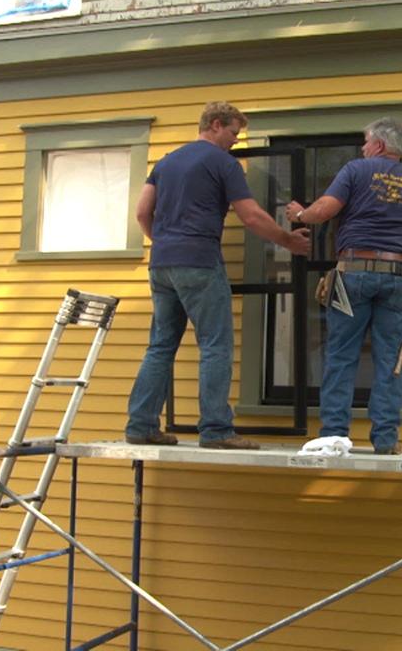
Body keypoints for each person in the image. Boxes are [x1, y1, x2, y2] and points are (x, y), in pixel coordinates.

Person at [126, 101, 310, 450]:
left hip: (162, 264)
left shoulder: (164, 163)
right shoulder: (223, 163)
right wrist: (288, 241)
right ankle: (216, 430)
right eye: (232, 133)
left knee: (161, 346)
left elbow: (141, 213)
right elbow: (252, 216)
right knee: (215, 345)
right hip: (198, 260)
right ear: (214, 124)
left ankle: (141, 425)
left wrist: (166, 243)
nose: (234, 142)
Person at [285, 117, 402, 454]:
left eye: (366, 142)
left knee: (341, 354)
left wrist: (299, 214)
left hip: (354, 273)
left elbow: (325, 210)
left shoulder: (356, 170)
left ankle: (335, 435)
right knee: (390, 361)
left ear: (379, 145)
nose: (363, 147)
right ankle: (385, 440)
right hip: (399, 277)